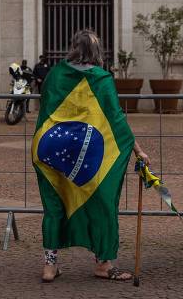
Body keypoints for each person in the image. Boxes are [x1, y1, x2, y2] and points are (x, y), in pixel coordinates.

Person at [32, 29, 150, 283]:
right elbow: (116, 120)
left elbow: (46, 110)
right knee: (102, 203)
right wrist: (137, 149)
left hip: (51, 149)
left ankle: (50, 266)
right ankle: (103, 264)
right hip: (86, 152)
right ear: (97, 52)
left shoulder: (55, 75)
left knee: (54, 206)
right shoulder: (101, 79)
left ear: (73, 47)